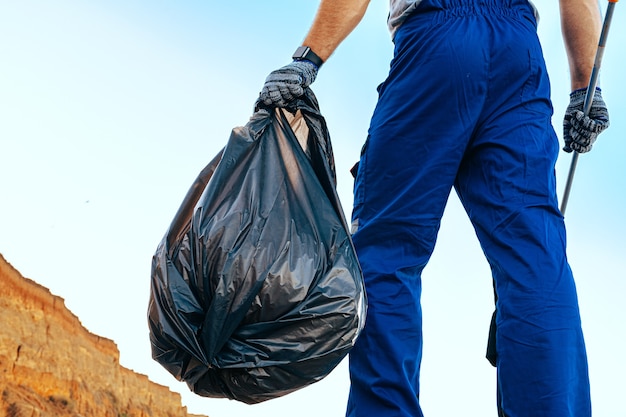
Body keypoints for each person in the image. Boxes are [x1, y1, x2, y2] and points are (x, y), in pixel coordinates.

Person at [259, 0, 610, 416]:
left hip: (435, 43)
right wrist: (586, 88)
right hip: (518, 55)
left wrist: (307, 59)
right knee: (536, 256)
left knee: (388, 252)